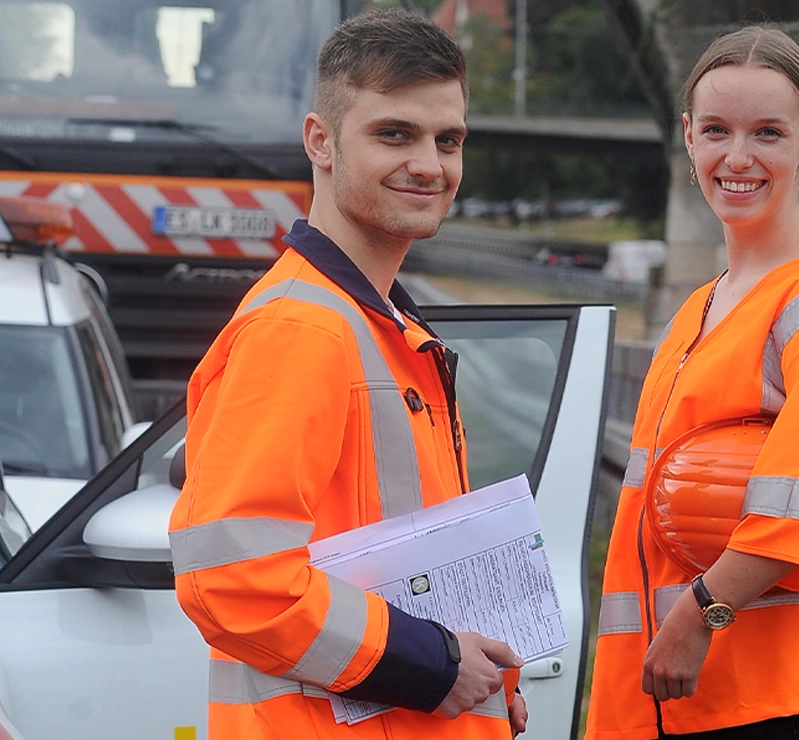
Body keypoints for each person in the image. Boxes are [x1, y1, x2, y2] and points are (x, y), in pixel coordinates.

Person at [168, 9, 528, 740]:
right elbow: (234, 580)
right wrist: (431, 663)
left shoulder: (382, 328)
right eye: (394, 134)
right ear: (320, 141)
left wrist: (484, 673)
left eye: (447, 139)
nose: (429, 164)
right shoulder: (301, 328)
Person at [584, 25, 799, 740]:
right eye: (716, 130)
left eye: (768, 133)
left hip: (785, 700)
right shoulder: (702, 307)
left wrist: (699, 612)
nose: (736, 158)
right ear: (687, 136)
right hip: (696, 698)